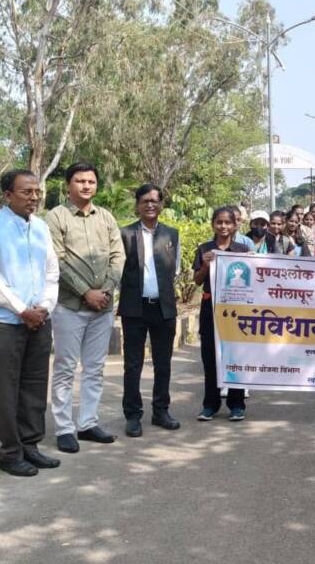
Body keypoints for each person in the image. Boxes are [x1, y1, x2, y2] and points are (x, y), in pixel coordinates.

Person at [0, 169, 61, 476]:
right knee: (8, 389)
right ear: (8, 195)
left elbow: (52, 272)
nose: (34, 197)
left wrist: (44, 307)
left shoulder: (41, 227)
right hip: (5, 322)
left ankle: (31, 446)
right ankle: (10, 454)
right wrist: (23, 310)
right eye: (26, 192)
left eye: (37, 192)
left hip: (39, 319)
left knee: (35, 386)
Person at [46, 162, 125, 454]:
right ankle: (65, 428)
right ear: (68, 185)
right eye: (80, 181)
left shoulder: (106, 217)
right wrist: (85, 292)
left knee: (94, 368)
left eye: (91, 181)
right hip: (69, 307)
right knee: (65, 368)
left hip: (102, 308)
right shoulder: (56, 217)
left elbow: (118, 256)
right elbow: (57, 261)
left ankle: (88, 423)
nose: (86, 186)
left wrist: (105, 291)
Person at [117, 184, 181, 438]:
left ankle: (161, 411)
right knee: (132, 365)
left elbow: (175, 269)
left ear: (162, 204)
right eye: (145, 201)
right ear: (137, 205)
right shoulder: (125, 234)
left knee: (163, 363)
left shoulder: (172, 234)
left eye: (155, 200)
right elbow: (119, 270)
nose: (150, 205)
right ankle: (133, 416)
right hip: (134, 307)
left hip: (164, 308)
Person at [194, 207, 250, 421]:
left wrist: (253, 262)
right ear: (213, 224)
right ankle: (210, 404)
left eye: (228, 222)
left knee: (236, 355)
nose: (223, 226)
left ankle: (237, 404)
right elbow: (197, 280)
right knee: (210, 357)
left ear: (235, 225)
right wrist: (205, 265)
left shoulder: (243, 250)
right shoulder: (204, 249)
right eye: (219, 222)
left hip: (237, 312)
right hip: (211, 309)